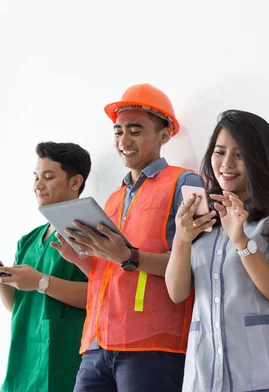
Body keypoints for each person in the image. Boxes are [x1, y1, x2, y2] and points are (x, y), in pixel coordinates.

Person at [53, 83, 203, 392]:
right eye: (118, 131)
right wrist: (84, 259)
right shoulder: (112, 199)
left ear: (165, 135)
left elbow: (198, 266)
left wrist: (128, 256)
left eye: (135, 131)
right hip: (97, 342)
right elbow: (112, 270)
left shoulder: (185, 182)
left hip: (152, 346)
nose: (124, 140)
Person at [165, 109, 269, 392]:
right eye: (219, 152)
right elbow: (177, 293)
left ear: (259, 159)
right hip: (207, 373)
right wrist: (181, 238)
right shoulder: (200, 215)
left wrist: (240, 240)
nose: (227, 163)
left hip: (267, 372)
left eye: (239, 155)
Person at [0, 142, 90, 392]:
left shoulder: (87, 234)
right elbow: (18, 306)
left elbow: (100, 295)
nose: (38, 185)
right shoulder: (28, 241)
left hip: (63, 360)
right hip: (23, 361)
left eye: (48, 177)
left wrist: (42, 282)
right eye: (36, 177)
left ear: (75, 182)